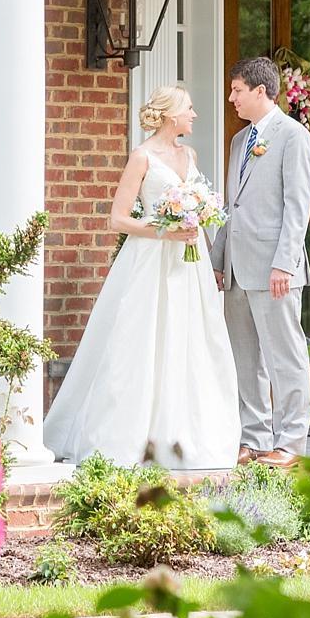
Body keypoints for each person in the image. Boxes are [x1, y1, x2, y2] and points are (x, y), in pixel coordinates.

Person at [42, 85, 239, 470]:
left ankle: (189, 436)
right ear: (170, 115)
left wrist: (198, 221)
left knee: (193, 340)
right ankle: (129, 436)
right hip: (151, 260)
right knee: (143, 338)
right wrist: (164, 230)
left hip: (190, 262)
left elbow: (197, 206)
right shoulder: (142, 158)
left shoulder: (190, 154)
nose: (194, 115)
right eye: (190, 108)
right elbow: (119, 218)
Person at [211, 57, 310, 469]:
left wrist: (285, 264)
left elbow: (297, 206)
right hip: (237, 268)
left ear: (260, 91)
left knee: (284, 356)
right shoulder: (240, 142)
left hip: (275, 269)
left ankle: (291, 442)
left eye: (237, 90)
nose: (232, 97)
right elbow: (231, 206)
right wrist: (220, 259)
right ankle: (252, 439)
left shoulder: (293, 137)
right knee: (245, 358)